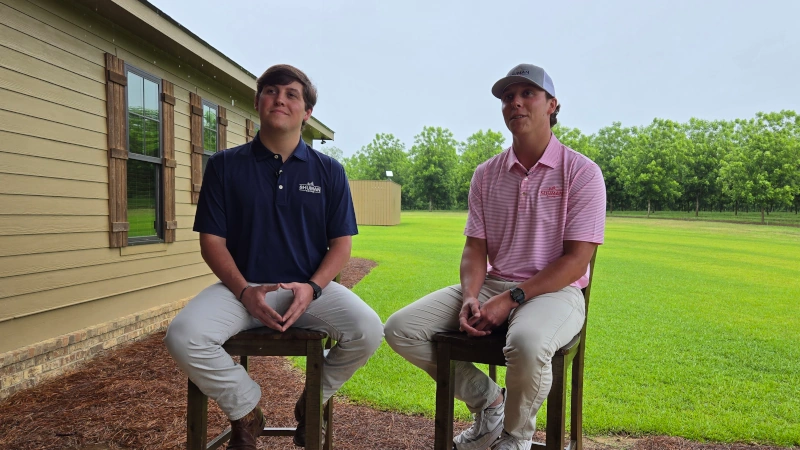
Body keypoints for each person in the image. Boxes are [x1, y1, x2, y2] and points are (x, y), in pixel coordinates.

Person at [384, 63, 606, 450]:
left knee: (527, 343)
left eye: (527, 94)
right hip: (493, 284)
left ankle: (515, 438)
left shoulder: (582, 173)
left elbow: (575, 261)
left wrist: (511, 299)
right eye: (507, 97)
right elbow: (475, 247)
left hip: (557, 292)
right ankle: (490, 402)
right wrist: (471, 295)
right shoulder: (486, 174)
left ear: (552, 104)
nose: (515, 103)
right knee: (401, 328)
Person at [165, 64, 383, 450]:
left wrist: (313, 287)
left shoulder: (329, 171)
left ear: (307, 112)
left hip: (309, 289)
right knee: (184, 336)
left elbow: (341, 245)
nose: (279, 99)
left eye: (291, 94)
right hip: (241, 289)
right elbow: (212, 242)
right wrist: (245, 291)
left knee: (368, 330)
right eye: (270, 91)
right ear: (257, 102)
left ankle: (311, 402)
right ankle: (246, 408)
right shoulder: (224, 166)